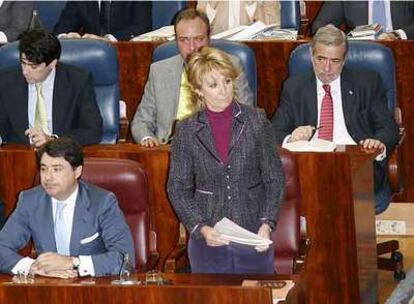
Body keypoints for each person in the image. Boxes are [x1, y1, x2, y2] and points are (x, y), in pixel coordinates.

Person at [167, 47, 284, 274]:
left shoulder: (256, 121)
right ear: (198, 90)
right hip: (208, 234)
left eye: (227, 81)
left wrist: (267, 223)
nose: (223, 91)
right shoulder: (186, 130)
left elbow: (274, 178)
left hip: (253, 232)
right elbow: (177, 187)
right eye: (213, 85)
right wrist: (200, 227)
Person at [271, 24, 399, 213]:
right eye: (321, 59)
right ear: (312, 54)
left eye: (334, 61)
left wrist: (377, 143)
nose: (326, 68)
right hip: (310, 166)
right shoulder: (294, 88)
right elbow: (273, 131)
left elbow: (388, 128)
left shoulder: (367, 83)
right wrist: (291, 138)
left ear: (344, 60)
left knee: (328, 197)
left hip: (354, 166)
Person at [0, 137, 134, 278]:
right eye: (44, 169)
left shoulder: (102, 202)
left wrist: (73, 262)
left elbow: (125, 258)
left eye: (57, 169)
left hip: (91, 287)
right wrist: (33, 267)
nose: (48, 177)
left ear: (77, 171)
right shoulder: (29, 201)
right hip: (48, 287)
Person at [131, 8, 254, 147]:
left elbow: (246, 116)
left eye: (198, 39)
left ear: (209, 37)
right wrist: (146, 138)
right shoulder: (159, 71)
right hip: (168, 149)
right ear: (176, 40)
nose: (192, 47)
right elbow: (141, 121)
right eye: (184, 40)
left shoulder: (230, 65)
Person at [0, 29, 103, 147]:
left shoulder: (78, 81)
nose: (25, 71)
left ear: (53, 63)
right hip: (20, 155)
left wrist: (53, 140)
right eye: (23, 63)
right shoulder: (5, 80)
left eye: (33, 66)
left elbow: (93, 130)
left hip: (61, 156)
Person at [311, 1, 414, 40]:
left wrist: (396, 35)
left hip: (404, 50)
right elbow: (320, 25)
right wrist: (340, 38)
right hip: (359, 52)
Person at [54, 1, 152, 41]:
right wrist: (66, 38)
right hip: (90, 54)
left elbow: (143, 27)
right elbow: (61, 29)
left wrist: (108, 40)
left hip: (126, 53)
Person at [197, 1, 280, 35]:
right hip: (216, 48)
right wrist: (212, 4)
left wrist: (251, 3)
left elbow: (272, 29)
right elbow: (199, 28)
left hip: (254, 48)